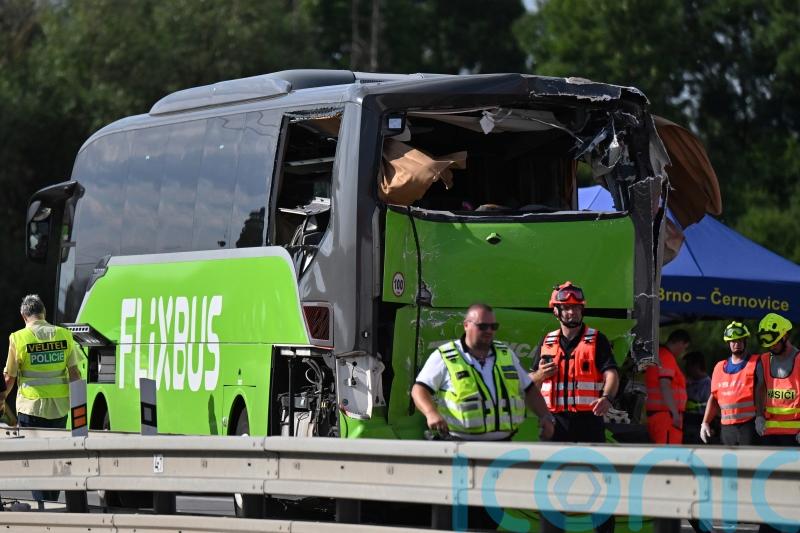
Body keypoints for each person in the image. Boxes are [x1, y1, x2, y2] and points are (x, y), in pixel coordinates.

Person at [529, 281, 619, 533]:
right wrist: (539, 375)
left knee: (600, 483)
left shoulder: (596, 339)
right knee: (551, 485)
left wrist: (607, 397)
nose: (572, 312)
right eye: (566, 308)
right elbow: (529, 385)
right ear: (556, 311)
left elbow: (611, 373)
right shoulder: (546, 341)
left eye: (576, 308)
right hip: (554, 423)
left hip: (588, 422)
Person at [412, 303, 555, 442]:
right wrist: (431, 413)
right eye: (482, 326)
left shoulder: (505, 353)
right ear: (466, 325)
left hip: (502, 444)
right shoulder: (446, 356)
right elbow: (419, 389)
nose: (489, 331)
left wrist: (545, 416)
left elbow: (528, 388)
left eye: (493, 327)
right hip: (459, 443)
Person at [1, 294, 82, 508]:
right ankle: (51, 503)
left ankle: (42, 507)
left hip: (31, 408)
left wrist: (2, 401)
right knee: (55, 458)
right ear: (44, 313)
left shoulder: (18, 338)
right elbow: (75, 374)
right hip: (59, 408)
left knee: (35, 460)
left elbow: (9, 378)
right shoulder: (65, 335)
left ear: (23, 316)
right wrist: (79, 410)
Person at [700, 322, 759, 446]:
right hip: (727, 428)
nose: (736, 344)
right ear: (728, 343)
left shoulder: (757, 363)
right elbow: (714, 398)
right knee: (729, 464)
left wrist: (761, 417)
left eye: (739, 340)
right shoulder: (719, 367)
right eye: (733, 341)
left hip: (750, 425)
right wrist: (705, 422)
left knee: (750, 463)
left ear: (745, 341)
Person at [754, 313, 799, 445]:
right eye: (768, 344)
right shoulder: (764, 360)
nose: (771, 347)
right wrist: (759, 416)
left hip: (795, 434)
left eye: (774, 343)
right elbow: (761, 388)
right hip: (769, 432)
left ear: (784, 336)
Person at [645, 329, 690, 444]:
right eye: (684, 348)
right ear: (680, 343)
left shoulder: (661, 355)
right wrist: (674, 412)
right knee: (668, 456)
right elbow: (665, 384)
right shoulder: (666, 356)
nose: (683, 352)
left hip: (661, 414)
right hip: (666, 416)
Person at [683, 351, 710, 444]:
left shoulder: (709, 384)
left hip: (700, 424)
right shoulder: (686, 382)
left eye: (688, 365)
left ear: (696, 365)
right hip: (686, 422)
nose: (686, 369)